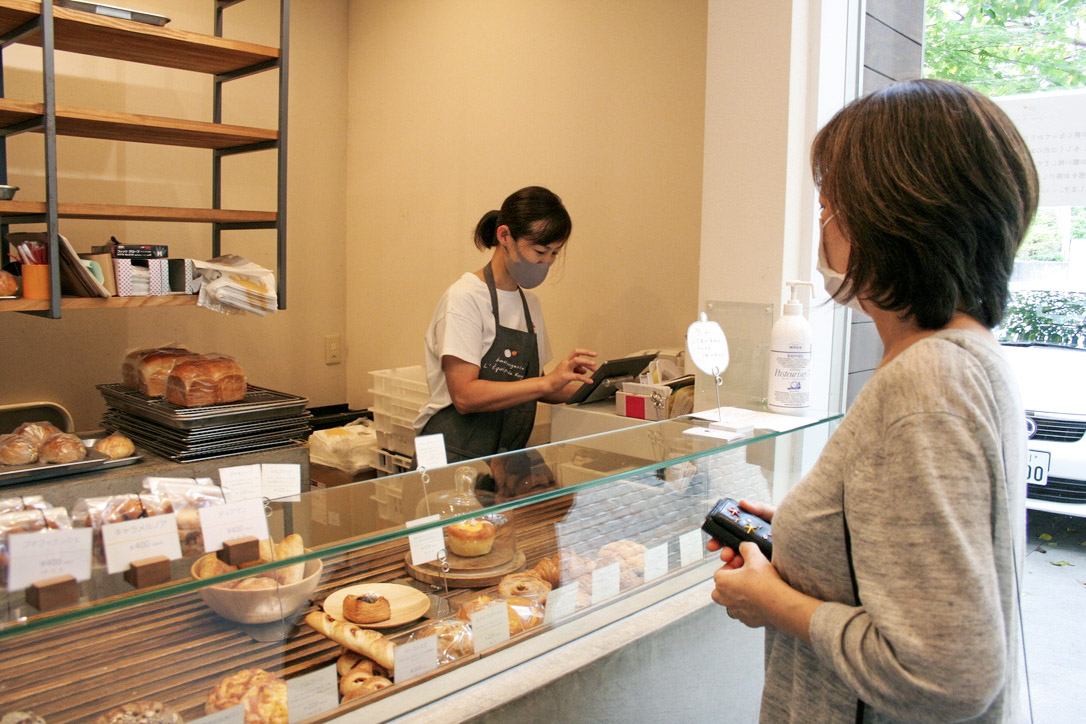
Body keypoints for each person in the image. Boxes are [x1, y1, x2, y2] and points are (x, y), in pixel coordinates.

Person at [709, 79, 1038, 722]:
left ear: (893, 214)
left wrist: (774, 603)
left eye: (833, 201)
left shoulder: (929, 382)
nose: (824, 219)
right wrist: (817, 535)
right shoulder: (964, 357)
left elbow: (948, 675)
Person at [414, 186, 598, 463]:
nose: (546, 262)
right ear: (505, 236)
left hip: (502, 458)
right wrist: (546, 383)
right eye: (540, 251)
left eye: (554, 254)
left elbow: (533, 385)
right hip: (449, 454)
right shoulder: (465, 298)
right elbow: (464, 396)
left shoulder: (530, 305)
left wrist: (599, 388)